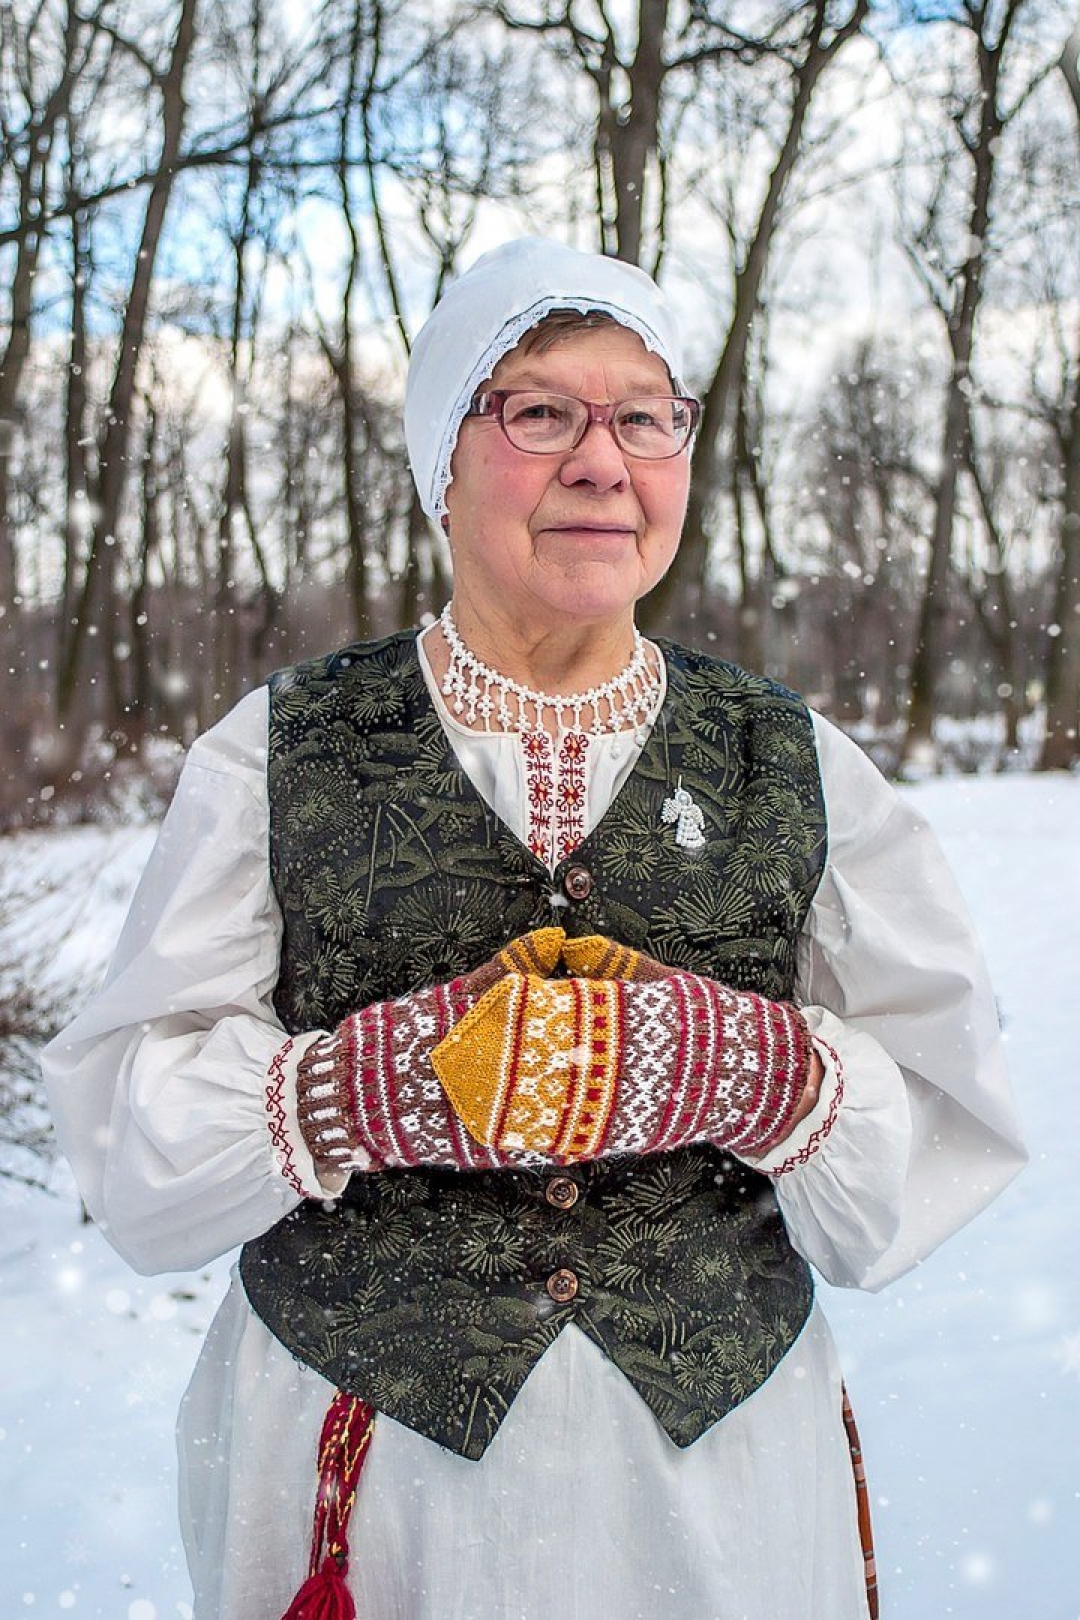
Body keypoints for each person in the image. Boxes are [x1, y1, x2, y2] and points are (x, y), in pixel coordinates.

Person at [42, 237, 1026, 1620]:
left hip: (721, 1498)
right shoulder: (280, 750)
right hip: (369, 1485)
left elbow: (950, 1114)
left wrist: (756, 1072)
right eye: (541, 410)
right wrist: (351, 1094)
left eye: (644, 416)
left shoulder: (792, 762)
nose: (602, 461)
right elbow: (126, 1145)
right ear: (441, 459)